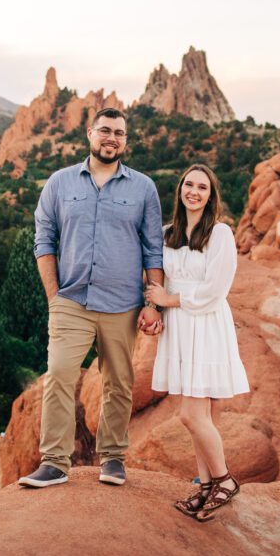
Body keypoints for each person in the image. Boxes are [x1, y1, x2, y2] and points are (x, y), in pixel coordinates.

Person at [19, 107, 164, 488]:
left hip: (123, 304)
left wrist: (152, 302)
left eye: (119, 132)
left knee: (119, 381)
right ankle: (54, 462)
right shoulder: (59, 183)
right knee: (60, 377)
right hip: (71, 301)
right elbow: (43, 240)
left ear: (125, 140)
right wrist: (54, 296)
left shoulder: (143, 188)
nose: (111, 138)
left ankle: (113, 459)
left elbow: (154, 249)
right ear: (89, 133)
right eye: (105, 130)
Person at [144, 164, 249, 521]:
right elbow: (155, 280)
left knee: (191, 415)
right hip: (179, 329)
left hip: (205, 325)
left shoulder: (220, 233)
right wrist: (153, 306)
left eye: (202, 187)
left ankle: (224, 481)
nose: (194, 191)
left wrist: (167, 301)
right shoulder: (167, 233)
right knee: (201, 415)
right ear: (180, 190)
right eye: (188, 184)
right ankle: (206, 488)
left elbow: (215, 291)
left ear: (210, 195)